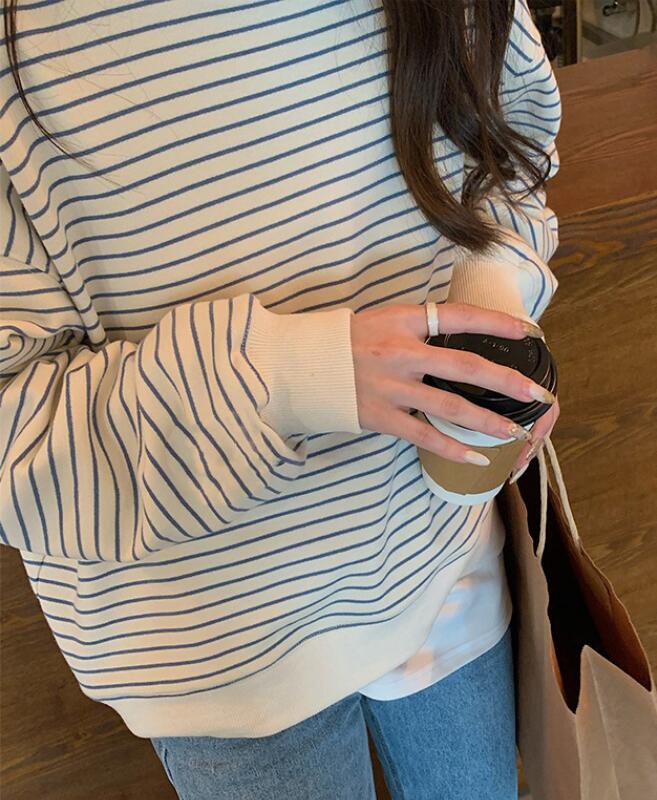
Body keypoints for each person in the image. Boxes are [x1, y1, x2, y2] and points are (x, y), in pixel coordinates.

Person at [0, 1, 561, 797]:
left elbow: (510, 156)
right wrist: (292, 376)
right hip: (214, 648)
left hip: (441, 557)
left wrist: (495, 309)